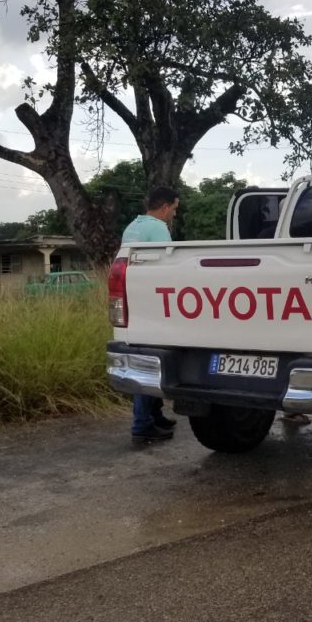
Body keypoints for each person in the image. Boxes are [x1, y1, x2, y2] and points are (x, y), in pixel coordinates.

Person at [122, 185, 181, 444]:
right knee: (152, 364)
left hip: (135, 302)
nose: (174, 215)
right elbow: (167, 267)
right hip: (154, 304)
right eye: (174, 210)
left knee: (146, 359)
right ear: (166, 206)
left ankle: (154, 415)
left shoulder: (133, 226)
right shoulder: (158, 228)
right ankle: (142, 423)